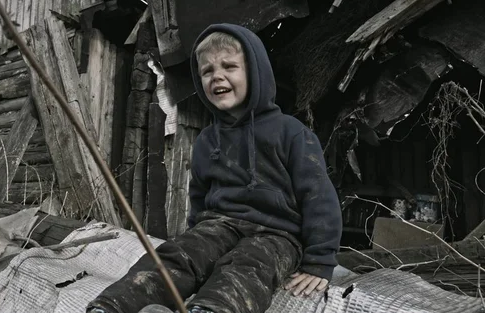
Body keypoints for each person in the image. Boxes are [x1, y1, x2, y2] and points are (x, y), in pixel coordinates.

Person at [87, 23, 342, 313]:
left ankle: (212, 309)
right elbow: (199, 195)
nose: (217, 76)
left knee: (249, 263)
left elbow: (319, 198)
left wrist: (320, 262)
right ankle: (115, 306)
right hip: (220, 226)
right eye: (207, 71)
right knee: (176, 254)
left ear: (255, 73)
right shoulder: (208, 140)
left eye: (229, 66)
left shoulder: (291, 132)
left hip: (277, 235)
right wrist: (197, 241)